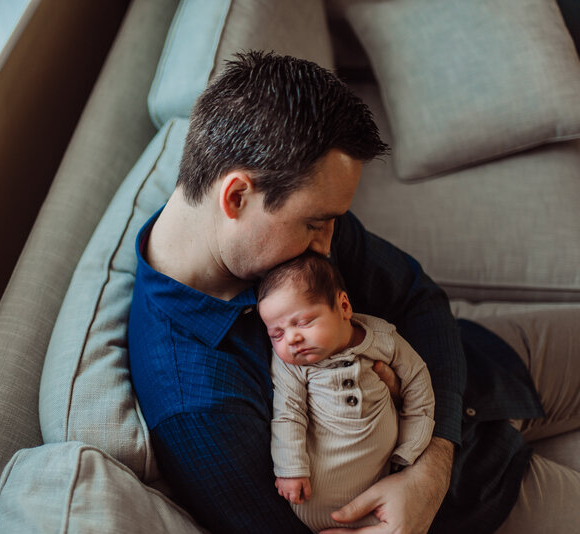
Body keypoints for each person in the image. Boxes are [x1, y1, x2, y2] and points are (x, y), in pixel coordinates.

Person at [128, 50, 580, 533]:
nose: (327, 246)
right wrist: (428, 483)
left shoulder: (291, 220)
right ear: (236, 196)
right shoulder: (195, 401)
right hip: (475, 498)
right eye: (317, 224)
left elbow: (417, 298)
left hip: (480, 371)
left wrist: (434, 456)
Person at [257, 252, 435, 532]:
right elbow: (288, 414)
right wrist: (290, 469)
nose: (291, 339)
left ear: (343, 307)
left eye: (302, 322)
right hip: (313, 498)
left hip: (382, 491)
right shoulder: (290, 366)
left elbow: (417, 381)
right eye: (276, 334)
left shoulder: (383, 338)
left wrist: (412, 446)